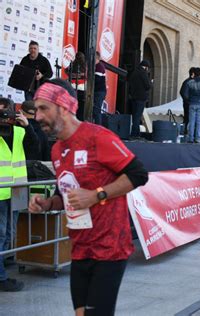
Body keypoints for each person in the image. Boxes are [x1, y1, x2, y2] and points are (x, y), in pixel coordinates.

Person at [29, 79, 149, 314]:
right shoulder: (56, 149)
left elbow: (138, 174)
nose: (37, 116)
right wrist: (47, 204)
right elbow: (65, 194)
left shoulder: (97, 137)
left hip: (109, 248)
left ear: (63, 107)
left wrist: (97, 195)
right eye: (36, 109)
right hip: (80, 246)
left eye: (44, 108)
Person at [0, 97, 32, 292]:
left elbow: (37, 148)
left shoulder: (21, 132)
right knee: (1, 234)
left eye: (6, 113)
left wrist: (29, 127)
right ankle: (1, 276)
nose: (3, 117)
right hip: (0, 194)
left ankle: (2, 267)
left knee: (10, 235)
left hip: (18, 190)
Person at [183, 67, 200, 143]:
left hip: (192, 103)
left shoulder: (189, 83)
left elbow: (185, 94)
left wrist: (189, 100)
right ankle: (197, 139)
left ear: (194, 73)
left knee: (191, 122)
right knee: (199, 122)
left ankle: (190, 138)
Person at [129, 60, 152, 138]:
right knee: (138, 116)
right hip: (141, 98)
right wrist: (150, 82)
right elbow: (148, 86)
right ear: (145, 67)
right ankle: (134, 134)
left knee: (135, 115)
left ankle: (136, 133)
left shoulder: (134, 72)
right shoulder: (143, 73)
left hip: (133, 97)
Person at [66, 52, 86, 121]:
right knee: (80, 107)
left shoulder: (73, 64)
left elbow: (67, 71)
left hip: (74, 87)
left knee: (74, 105)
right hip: (80, 87)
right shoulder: (84, 65)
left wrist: (74, 75)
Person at [179, 67, 195, 135]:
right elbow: (182, 92)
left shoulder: (187, 81)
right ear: (193, 74)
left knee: (187, 118)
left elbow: (182, 92)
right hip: (189, 103)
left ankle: (185, 132)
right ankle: (185, 133)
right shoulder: (189, 82)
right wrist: (188, 100)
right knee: (188, 119)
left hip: (187, 103)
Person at [93, 51, 107, 126]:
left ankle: (98, 127)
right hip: (98, 91)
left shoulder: (99, 66)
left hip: (99, 92)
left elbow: (96, 79)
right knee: (95, 110)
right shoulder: (97, 66)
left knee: (97, 111)